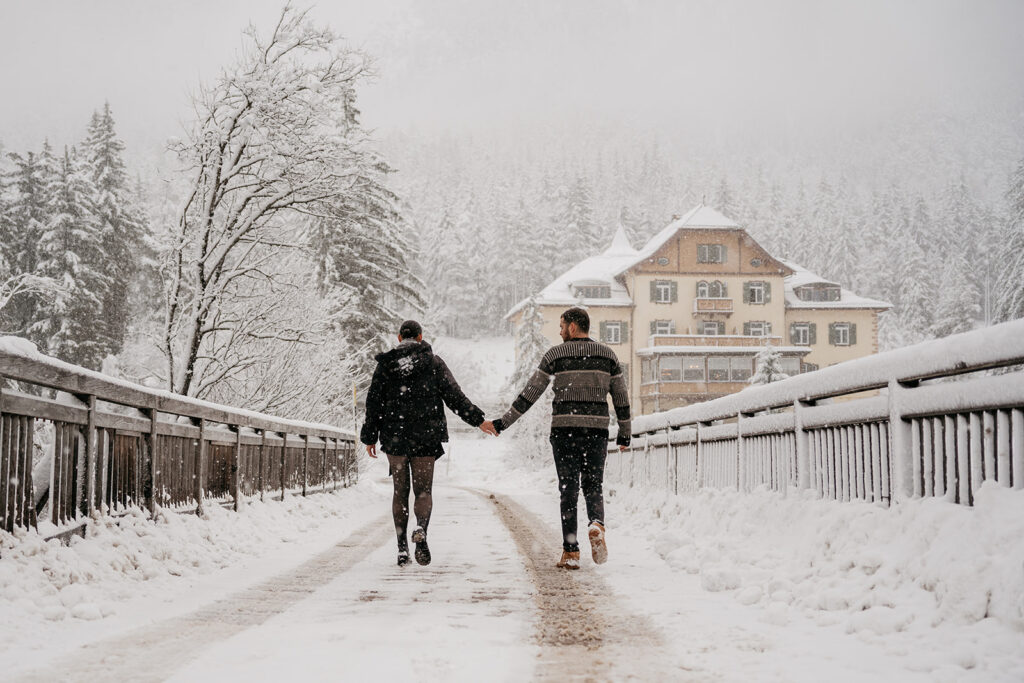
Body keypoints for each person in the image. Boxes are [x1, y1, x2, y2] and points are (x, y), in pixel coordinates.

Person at [493, 307, 631, 569]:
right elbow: (621, 398)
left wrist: (503, 423)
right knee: (593, 485)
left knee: (568, 490)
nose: (559, 331)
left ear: (573, 327)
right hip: (596, 431)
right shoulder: (608, 356)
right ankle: (596, 523)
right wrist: (625, 431)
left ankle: (571, 552)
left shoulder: (555, 355)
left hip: (564, 431)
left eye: (561, 326)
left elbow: (531, 393)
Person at [361, 320, 498, 566]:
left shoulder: (386, 365)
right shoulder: (434, 363)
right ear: (421, 337)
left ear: (400, 337)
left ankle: (402, 548)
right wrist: (479, 421)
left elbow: (374, 403)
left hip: (395, 436)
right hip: (426, 435)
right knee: (423, 491)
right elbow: (455, 397)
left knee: (399, 492)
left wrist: (369, 436)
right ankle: (421, 528)